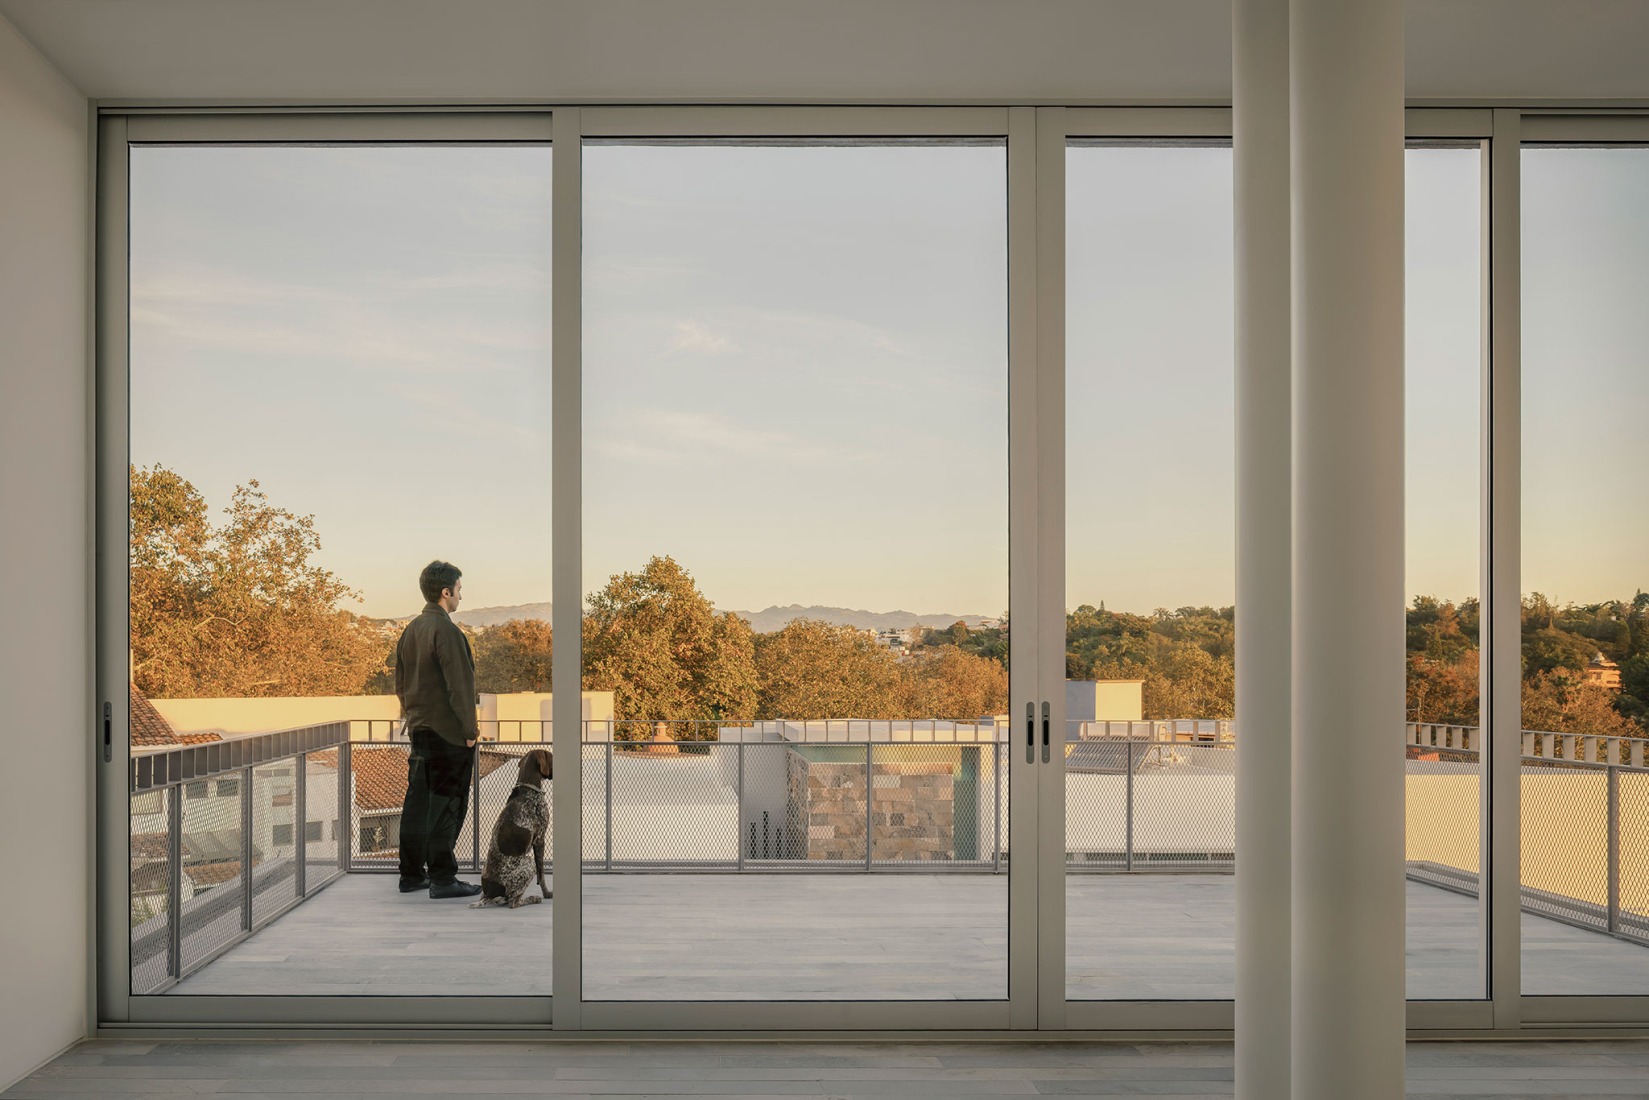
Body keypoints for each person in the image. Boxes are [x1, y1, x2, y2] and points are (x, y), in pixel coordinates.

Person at [394, 560, 484, 898]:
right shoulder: (446, 631)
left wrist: (414, 715)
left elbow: (400, 684)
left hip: (419, 730)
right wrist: (470, 731)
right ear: (446, 592)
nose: (461, 595)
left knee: (418, 805)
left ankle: (411, 876)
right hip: (448, 735)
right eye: (459, 589)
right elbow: (460, 687)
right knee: (448, 806)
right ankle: (443, 879)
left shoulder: (411, 629)